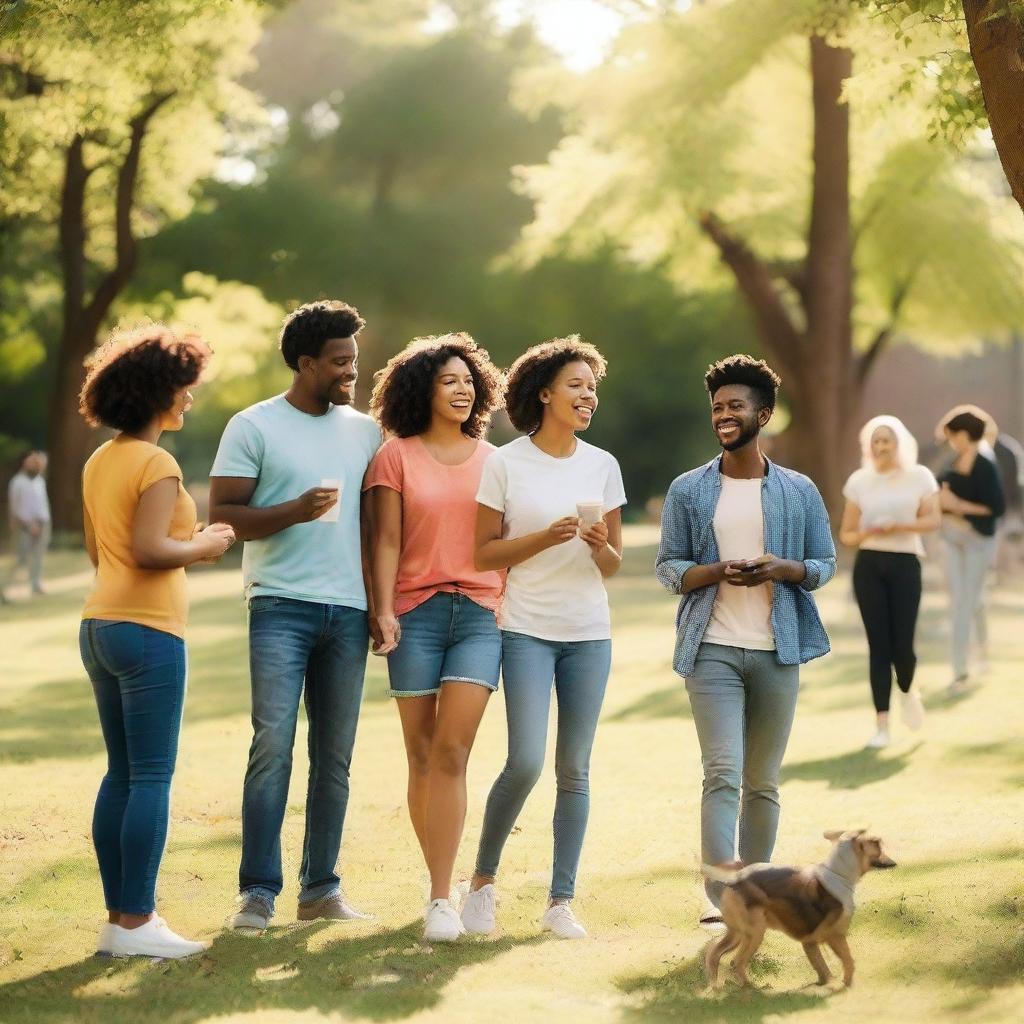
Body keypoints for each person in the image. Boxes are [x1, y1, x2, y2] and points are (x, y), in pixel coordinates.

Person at [209, 300, 381, 931]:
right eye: (339, 362)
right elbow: (224, 514)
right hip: (279, 605)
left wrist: (380, 604)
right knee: (272, 748)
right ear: (306, 363)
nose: (350, 373)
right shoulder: (253, 425)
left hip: (348, 609)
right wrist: (293, 511)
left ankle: (321, 890)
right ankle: (257, 891)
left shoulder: (364, 431)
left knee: (333, 758)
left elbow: (377, 522)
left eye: (354, 362)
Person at [655, 354, 836, 930]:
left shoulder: (798, 490)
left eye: (735, 406)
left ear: (765, 414)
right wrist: (714, 572)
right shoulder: (689, 489)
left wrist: (783, 568)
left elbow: (824, 564)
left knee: (763, 782)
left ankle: (758, 891)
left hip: (777, 651)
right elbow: (668, 568)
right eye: (717, 407)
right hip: (711, 649)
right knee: (723, 772)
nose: (724, 415)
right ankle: (722, 897)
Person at [78, 325, 236, 959]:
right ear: (157, 393)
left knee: (122, 773)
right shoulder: (158, 462)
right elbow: (148, 551)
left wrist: (181, 542)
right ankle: (138, 923)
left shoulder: (99, 461)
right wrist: (205, 543)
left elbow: (102, 552)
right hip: (147, 632)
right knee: (150, 776)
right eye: (182, 389)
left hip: (99, 626)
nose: (188, 401)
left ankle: (120, 920)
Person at [461, 336, 626, 941]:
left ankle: (561, 900)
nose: (589, 396)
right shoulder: (504, 462)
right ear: (545, 394)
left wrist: (596, 544)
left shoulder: (602, 465)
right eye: (577, 385)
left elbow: (614, 567)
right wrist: (545, 539)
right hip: (527, 628)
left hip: (590, 633)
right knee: (526, 760)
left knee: (574, 770)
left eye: (592, 387)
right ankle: (481, 882)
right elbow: (482, 552)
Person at [364, 333, 506, 943]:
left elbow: (504, 537)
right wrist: (382, 609)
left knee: (451, 752)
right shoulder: (394, 456)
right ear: (421, 389)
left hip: (478, 611)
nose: (462, 388)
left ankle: (443, 898)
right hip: (414, 613)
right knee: (420, 756)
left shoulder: (492, 458)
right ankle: (439, 891)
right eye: (448, 379)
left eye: (468, 380)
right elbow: (386, 542)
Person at [838, 416, 940, 748]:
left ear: (900, 443)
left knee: (903, 648)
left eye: (888, 440)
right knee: (878, 647)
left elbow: (933, 520)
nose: (881, 446)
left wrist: (900, 526)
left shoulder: (919, 477)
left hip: (905, 564)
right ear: (869, 446)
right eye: (876, 441)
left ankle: (909, 692)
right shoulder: (859, 481)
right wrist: (870, 531)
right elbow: (847, 534)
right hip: (869, 565)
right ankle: (882, 725)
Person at [935, 405, 1005, 694]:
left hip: (979, 541)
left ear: (964, 434)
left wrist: (957, 506)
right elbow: (941, 490)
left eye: (953, 435)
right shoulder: (957, 459)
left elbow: (995, 508)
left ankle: (960, 671)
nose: (951, 441)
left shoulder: (986, 462)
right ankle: (975, 658)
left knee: (967, 601)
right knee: (964, 599)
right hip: (953, 538)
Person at [3, 450, 51, 600]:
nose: (34, 463)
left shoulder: (39, 480)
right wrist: (30, 525)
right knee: (20, 559)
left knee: (38, 557)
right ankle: (4, 589)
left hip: (43, 523)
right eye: (31, 461)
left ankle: (35, 585)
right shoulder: (17, 482)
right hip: (25, 526)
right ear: (24, 462)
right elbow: (16, 508)